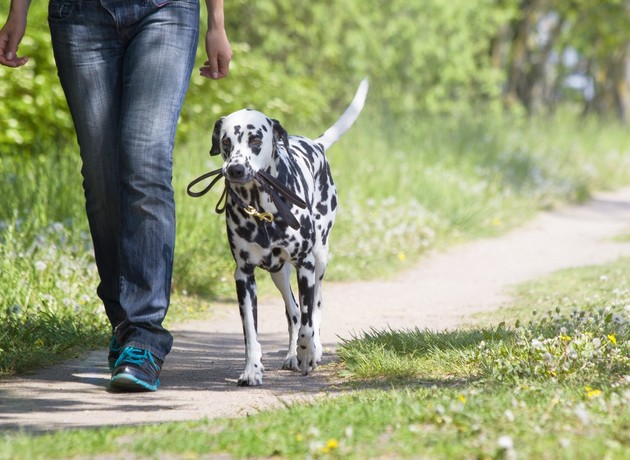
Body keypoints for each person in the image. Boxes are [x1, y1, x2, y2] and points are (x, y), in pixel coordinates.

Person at [0, 0, 232, 392]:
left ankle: (144, 336)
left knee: (146, 162)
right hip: (80, 16)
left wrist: (217, 21)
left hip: (166, 11)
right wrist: (17, 10)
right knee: (102, 175)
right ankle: (124, 324)